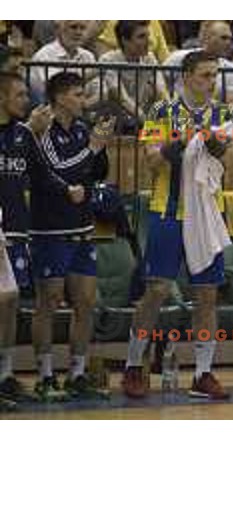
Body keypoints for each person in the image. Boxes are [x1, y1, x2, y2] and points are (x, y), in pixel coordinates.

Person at [122, 50, 233, 400]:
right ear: (186, 76)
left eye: (214, 75)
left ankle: (203, 373)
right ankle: (133, 365)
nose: (211, 81)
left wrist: (215, 143)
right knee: (156, 291)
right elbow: (153, 161)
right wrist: (180, 141)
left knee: (207, 295)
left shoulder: (223, 113)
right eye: (204, 75)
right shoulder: (161, 111)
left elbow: (227, 159)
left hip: (207, 212)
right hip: (167, 212)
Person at [0, 72, 85, 403]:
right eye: (20, 95)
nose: (27, 101)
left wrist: (68, 189)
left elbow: (41, 173)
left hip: (15, 231)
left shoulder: (22, 134)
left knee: (10, 302)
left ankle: (5, 374)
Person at [30, 72, 113, 400]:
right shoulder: (44, 129)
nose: (84, 100)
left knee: (86, 302)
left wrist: (99, 148)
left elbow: (95, 171)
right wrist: (92, 149)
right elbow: (58, 169)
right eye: (79, 95)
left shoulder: (80, 128)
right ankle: (45, 376)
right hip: (51, 228)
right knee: (48, 302)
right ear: (61, 97)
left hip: (82, 226)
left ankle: (77, 374)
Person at [92, 20, 167, 117]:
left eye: (148, 36)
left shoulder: (149, 58)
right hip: (111, 120)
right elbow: (122, 99)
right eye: (141, 37)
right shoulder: (108, 60)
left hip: (138, 117)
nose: (149, 41)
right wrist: (146, 122)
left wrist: (172, 117)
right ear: (125, 40)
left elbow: (161, 90)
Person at [30, 21, 96, 103]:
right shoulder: (44, 55)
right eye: (73, 27)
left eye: (82, 28)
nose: (78, 32)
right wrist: (88, 76)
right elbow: (57, 90)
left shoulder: (88, 56)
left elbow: (96, 89)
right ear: (60, 30)